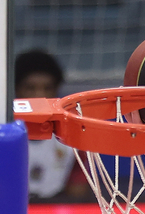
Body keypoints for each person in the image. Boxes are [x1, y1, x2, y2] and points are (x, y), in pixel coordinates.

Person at [14, 49, 89, 199]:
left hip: (55, 208)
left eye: (47, 88)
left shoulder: (72, 139)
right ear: (16, 89)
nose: (39, 95)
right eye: (30, 88)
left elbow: (78, 194)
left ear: (56, 90)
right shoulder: (1, 136)